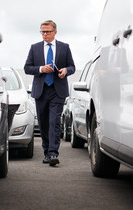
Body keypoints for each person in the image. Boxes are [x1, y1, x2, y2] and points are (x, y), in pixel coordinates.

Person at [24, 20, 75, 166]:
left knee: (54, 122)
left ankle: (53, 153)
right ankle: (46, 151)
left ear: (55, 32)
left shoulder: (65, 47)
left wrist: (66, 71)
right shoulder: (34, 48)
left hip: (57, 90)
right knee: (44, 123)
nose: (44, 34)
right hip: (41, 90)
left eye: (47, 31)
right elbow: (27, 68)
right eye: (42, 32)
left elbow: (72, 66)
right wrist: (41, 69)